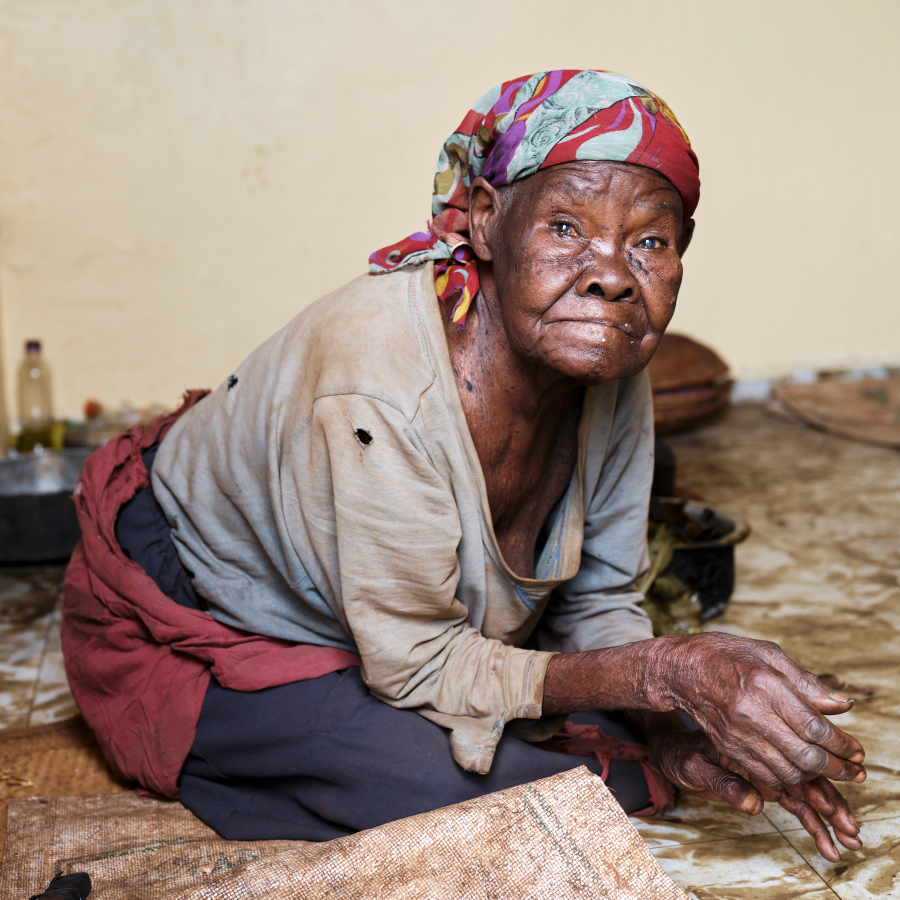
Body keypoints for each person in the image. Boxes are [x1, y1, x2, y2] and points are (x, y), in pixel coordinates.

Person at [62, 69, 864, 861]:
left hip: (395, 632)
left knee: (631, 728)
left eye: (651, 241)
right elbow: (417, 666)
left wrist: (665, 716)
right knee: (461, 780)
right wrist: (664, 675)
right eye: (564, 229)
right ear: (485, 222)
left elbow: (602, 597)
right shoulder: (382, 389)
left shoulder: (604, 356)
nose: (613, 275)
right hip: (195, 602)